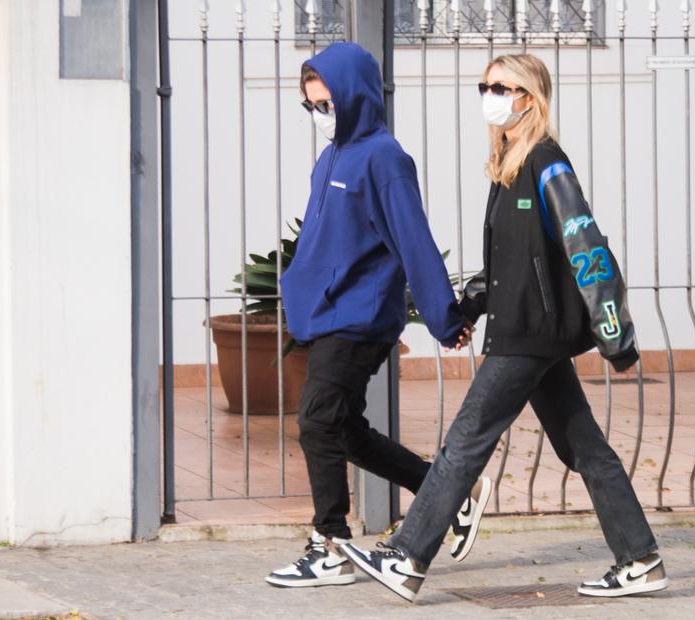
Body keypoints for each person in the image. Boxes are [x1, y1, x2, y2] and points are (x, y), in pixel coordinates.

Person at [343, 54, 668, 602]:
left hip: (530, 334)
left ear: (530, 98)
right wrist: (467, 308)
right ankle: (640, 559)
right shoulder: (510, 167)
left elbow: (587, 248)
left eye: (503, 86)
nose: (491, 95)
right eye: (485, 85)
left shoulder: (548, 164)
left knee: (466, 441)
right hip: (525, 331)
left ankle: (407, 557)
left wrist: (616, 335)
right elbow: (509, 266)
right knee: (585, 448)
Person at [266, 42, 490, 589]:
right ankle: (448, 492)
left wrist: (445, 316)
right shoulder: (331, 158)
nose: (321, 116)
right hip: (326, 315)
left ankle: (331, 545)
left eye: (328, 104)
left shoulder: (385, 158)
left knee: (317, 421)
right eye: (311, 107)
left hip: (359, 318)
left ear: (355, 97)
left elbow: (412, 241)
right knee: (343, 430)